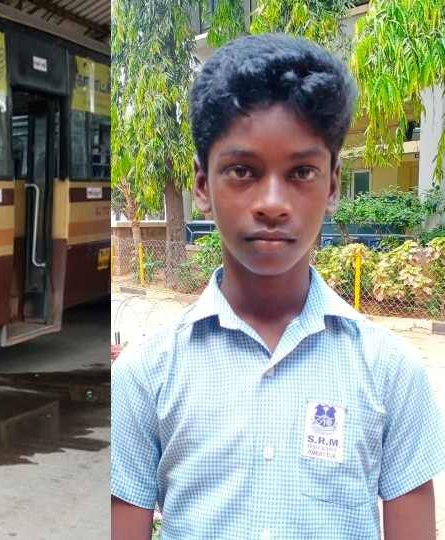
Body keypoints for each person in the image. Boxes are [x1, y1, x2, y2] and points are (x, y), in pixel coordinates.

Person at [111, 33, 445, 540]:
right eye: (242, 171)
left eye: (301, 172)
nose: (272, 202)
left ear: (333, 185)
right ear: (202, 185)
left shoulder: (390, 372)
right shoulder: (146, 377)